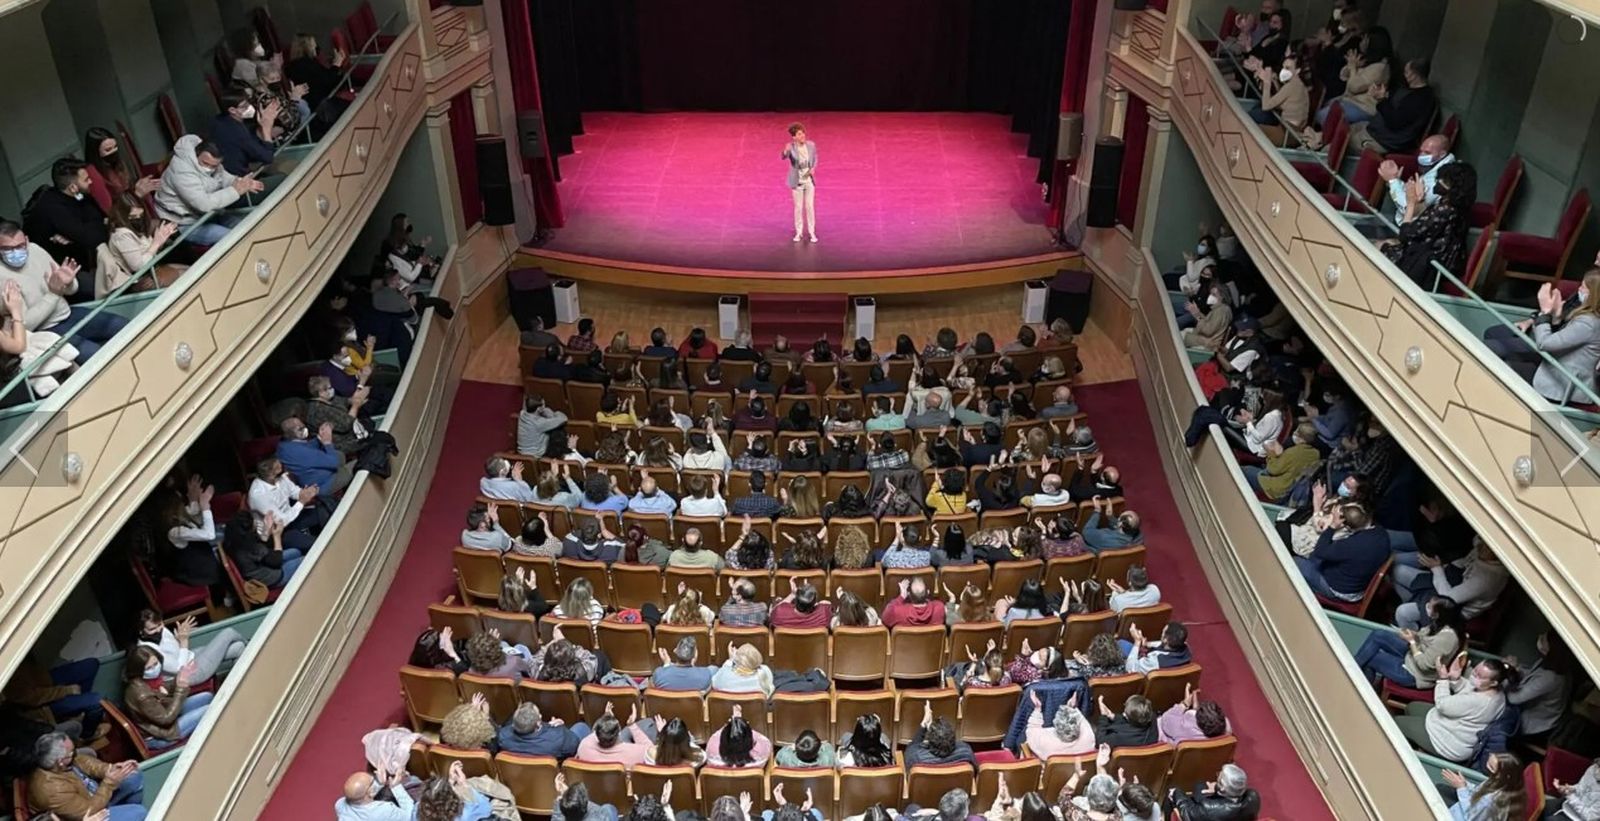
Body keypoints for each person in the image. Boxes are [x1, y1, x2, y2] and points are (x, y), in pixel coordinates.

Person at [0, 220, 128, 364]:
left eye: (20, 246)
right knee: (95, 356)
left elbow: (71, 290)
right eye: (8, 249)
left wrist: (68, 282)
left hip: (67, 313)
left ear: (27, 241)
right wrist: (54, 294)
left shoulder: (35, 249)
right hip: (45, 330)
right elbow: (25, 325)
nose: (16, 252)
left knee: (123, 325)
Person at [1393, 657, 1518, 762]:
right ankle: (1415, 742)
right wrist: (1456, 679)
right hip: (1450, 725)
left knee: (1396, 722)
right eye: (1475, 671)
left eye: (1480, 676)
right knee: (1412, 707)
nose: (1474, 676)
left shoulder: (1480, 701)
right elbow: (1469, 689)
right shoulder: (1497, 692)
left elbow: (1442, 705)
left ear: (1493, 683)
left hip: (1448, 743)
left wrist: (1443, 679)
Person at [1381, 161, 1477, 286]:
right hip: (1435, 255)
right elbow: (1426, 226)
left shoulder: (1446, 210)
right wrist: (1420, 200)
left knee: (1380, 246)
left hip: (1430, 265)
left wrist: (1411, 203)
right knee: (1386, 242)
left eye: (1444, 181)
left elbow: (1405, 235)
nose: (1439, 182)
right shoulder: (1456, 206)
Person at [153, 136, 262, 246]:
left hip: (207, 215)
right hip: (184, 224)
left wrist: (240, 182)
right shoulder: (180, 171)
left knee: (248, 227)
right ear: (196, 155)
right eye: (205, 163)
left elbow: (222, 177)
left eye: (213, 166)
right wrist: (236, 190)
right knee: (233, 238)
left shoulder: (214, 164)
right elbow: (203, 204)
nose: (209, 168)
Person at [25, 158, 107, 290]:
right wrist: (96, 227)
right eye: (86, 180)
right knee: (97, 287)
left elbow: (103, 220)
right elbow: (92, 238)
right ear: (73, 187)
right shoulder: (53, 208)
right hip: (58, 271)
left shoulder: (80, 196)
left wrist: (86, 230)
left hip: (81, 260)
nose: (91, 182)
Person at [1353, 595, 1464, 690]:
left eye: (1430, 607)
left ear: (1438, 614)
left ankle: (1358, 685)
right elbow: (1423, 636)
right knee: (1379, 634)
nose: (1426, 607)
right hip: (1412, 656)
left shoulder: (1447, 639)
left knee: (1371, 659)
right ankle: (1352, 669)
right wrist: (1413, 635)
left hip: (1415, 674)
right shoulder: (1438, 624)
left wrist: (1411, 642)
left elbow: (1424, 665)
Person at [28, 732, 145, 820]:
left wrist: (111, 769)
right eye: (72, 752)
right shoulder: (52, 790)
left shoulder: (63, 762)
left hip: (97, 796)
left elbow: (88, 764)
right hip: (90, 814)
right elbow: (89, 812)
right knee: (138, 812)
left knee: (132, 775)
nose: (75, 753)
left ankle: (124, 811)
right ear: (61, 761)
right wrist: (109, 784)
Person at [1294, 502, 1388, 603]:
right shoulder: (1381, 532)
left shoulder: (1352, 545)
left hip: (1340, 591)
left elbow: (1320, 551)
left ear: (1347, 526)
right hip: (1357, 584)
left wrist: (1332, 526)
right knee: (1314, 558)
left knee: (1295, 561)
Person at [1529, 270, 1600, 403]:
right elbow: (1560, 340)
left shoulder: (1589, 323)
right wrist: (1555, 318)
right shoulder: (1588, 318)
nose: (1579, 289)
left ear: (1594, 294)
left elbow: (1544, 344)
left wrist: (1544, 313)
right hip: (1557, 372)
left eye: (1583, 287)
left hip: (1564, 386)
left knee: (1507, 365)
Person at [122, 645, 210, 751]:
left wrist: (180, 678)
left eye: (155, 664)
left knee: (207, 697)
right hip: (162, 734)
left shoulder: (147, 680)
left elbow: (165, 689)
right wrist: (180, 690)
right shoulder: (142, 695)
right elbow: (166, 719)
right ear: (138, 671)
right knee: (208, 710)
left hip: (164, 715)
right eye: (149, 668)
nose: (155, 669)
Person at [1351, 58, 1436, 154]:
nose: (1404, 75)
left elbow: (1394, 122)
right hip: (1376, 131)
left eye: (1406, 72)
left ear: (1412, 75)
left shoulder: (1420, 99)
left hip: (1383, 141)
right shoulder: (1413, 92)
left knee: (1343, 139)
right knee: (1347, 128)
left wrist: (1382, 100)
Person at [83, 127, 160, 214]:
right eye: (108, 150)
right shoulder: (94, 175)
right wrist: (136, 195)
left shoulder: (118, 164)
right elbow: (111, 211)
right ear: (96, 153)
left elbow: (127, 186)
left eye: (115, 147)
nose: (114, 151)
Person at [278, 416, 351, 498]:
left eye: (303, 425)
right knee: (354, 467)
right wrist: (327, 442)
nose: (305, 429)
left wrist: (319, 437)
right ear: (289, 434)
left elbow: (307, 446)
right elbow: (334, 463)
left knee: (340, 455)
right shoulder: (299, 452)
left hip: (314, 476)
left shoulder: (284, 445)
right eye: (300, 428)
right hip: (325, 483)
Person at [1440, 752, 1527, 821]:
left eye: (1491, 768)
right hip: (1465, 808)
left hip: (1463, 816)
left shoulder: (1490, 801)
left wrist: (1461, 788)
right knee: (1440, 788)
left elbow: (1471, 816)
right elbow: (1477, 792)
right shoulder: (1500, 782)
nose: (1487, 768)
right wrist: (1465, 784)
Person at [211, 89, 279, 176]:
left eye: (248, 103)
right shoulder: (237, 132)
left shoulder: (219, 120)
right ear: (232, 110)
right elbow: (268, 158)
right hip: (237, 178)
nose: (250, 108)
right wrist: (266, 128)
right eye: (244, 106)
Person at [1165, 762, 1260, 821]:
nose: (1217, 776)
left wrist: (1176, 794)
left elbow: (1187, 812)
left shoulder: (1209, 809)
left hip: (1199, 814)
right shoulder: (1253, 798)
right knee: (1200, 785)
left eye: (1219, 776)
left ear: (1223, 788)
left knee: (1172, 791)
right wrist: (1216, 791)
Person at [498, 703, 586, 759]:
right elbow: (574, 747)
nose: (540, 715)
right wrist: (561, 728)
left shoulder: (503, 736)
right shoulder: (557, 736)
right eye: (539, 714)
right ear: (538, 723)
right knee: (581, 727)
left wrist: (547, 726)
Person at [1023, 691, 1095, 759]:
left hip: (1054, 772)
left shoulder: (1045, 744)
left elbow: (1032, 730)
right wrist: (1072, 708)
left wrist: (1037, 708)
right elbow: (1082, 721)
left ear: (1056, 725)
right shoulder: (1088, 739)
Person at [575, 708, 655, 769]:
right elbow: (650, 748)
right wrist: (632, 725)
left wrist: (605, 719)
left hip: (598, 783)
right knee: (649, 722)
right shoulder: (636, 752)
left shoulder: (584, 746)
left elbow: (594, 733)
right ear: (619, 733)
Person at [905, 706, 976, 769]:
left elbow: (911, 748)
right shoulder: (966, 751)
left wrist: (923, 725)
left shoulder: (917, 758)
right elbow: (974, 772)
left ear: (928, 742)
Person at [782, 123, 818, 242]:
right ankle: (799, 232)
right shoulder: (791, 147)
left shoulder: (811, 145)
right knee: (798, 207)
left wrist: (813, 168)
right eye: (799, 134)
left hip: (809, 182)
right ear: (794, 137)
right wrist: (785, 151)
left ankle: (812, 232)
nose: (802, 135)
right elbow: (784, 156)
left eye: (803, 133)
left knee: (809, 207)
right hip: (797, 182)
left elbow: (815, 157)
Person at [1157, 686, 1232, 744]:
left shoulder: (1182, 725)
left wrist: (1184, 704)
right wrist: (1195, 708)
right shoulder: (1219, 735)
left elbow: (1166, 720)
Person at [334, 768, 413, 820]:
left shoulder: (340, 804)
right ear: (370, 792)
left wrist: (380, 784)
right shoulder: (384, 810)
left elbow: (365, 794)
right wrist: (396, 787)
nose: (374, 779)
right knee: (413, 781)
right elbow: (410, 816)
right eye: (372, 781)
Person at [705, 711, 772, 768]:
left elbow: (715, 737)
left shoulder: (712, 753)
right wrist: (743, 728)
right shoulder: (761, 754)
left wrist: (731, 725)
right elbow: (764, 740)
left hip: (722, 783)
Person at [1123, 622, 1193, 675]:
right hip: (1166, 682)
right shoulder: (1186, 650)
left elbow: (1130, 668)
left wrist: (1137, 641)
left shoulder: (1155, 661)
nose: (1161, 634)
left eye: (1162, 633)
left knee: (1121, 643)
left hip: (1140, 673)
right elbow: (1163, 644)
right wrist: (1147, 644)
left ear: (1166, 640)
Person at [651, 637, 716, 692]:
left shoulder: (659, 674)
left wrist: (667, 665)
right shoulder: (706, 675)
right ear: (695, 655)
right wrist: (693, 667)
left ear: (675, 651)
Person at [1094, 694, 1158, 750]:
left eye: (1126, 714)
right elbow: (1134, 721)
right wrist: (1113, 717)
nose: (1123, 714)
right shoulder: (1152, 717)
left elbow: (1099, 743)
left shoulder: (1119, 737)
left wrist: (1103, 717)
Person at [711, 644, 775, 698]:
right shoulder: (765, 671)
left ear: (736, 660)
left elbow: (714, 683)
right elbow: (769, 689)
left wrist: (730, 660)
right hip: (755, 711)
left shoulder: (725, 676)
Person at [882, 577, 947, 627]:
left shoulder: (897, 612)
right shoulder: (939, 608)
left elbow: (885, 618)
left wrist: (901, 597)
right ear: (928, 593)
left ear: (909, 595)